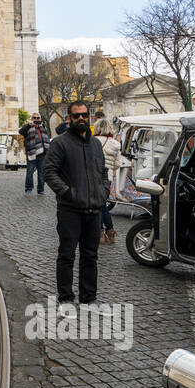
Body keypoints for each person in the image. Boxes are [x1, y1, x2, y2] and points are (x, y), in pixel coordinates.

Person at [44, 102, 109, 304]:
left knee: (90, 256)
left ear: (89, 117)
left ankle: (88, 296)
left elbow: (103, 171)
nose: (81, 118)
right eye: (76, 116)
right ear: (69, 119)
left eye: (84, 115)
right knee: (67, 255)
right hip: (70, 210)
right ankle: (65, 296)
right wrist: (67, 192)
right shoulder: (60, 143)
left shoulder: (96, 144)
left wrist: (104, 191)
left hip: (94, 209)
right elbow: (49, 172)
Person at [92, 116, 121, 243]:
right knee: (103, 205)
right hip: (107, 178)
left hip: (94, 176)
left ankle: (100, 233)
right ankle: (110, 231)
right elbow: (117, 165)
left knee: (97, 206)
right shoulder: (115, 144)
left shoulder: (92, 141)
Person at [20, 112, 51, 196]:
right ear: (32, 118)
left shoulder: (43, 127)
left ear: (40, 119)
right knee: (29, 173)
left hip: (42, 153)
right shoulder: (28, 127)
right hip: (32, 153)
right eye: (34, 118)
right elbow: (20, 131)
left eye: (38, 118)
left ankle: (41, 190)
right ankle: (28, 189)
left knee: (41, 173)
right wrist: (29, 125)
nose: (36, 119)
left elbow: (46, 138)